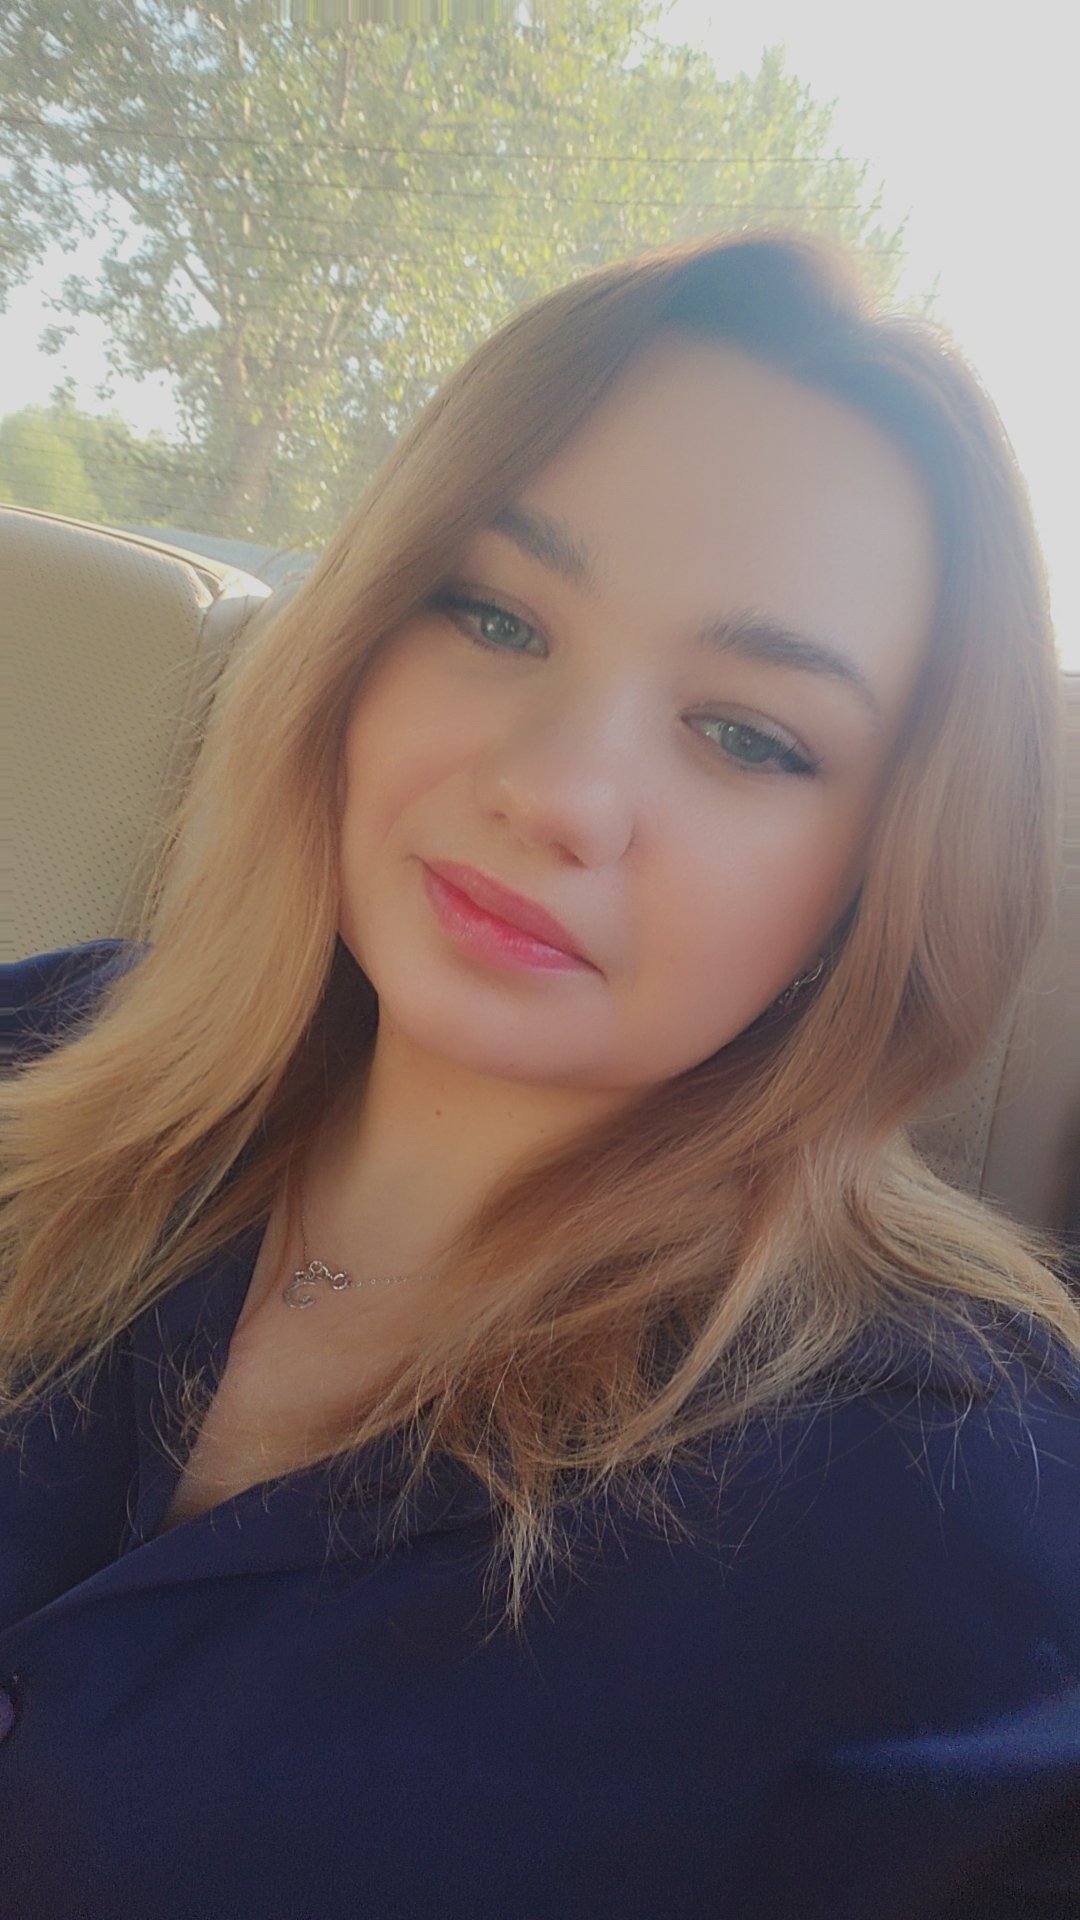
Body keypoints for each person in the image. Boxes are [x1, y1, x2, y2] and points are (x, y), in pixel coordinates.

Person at [2, 227, 1079, 1919]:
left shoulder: (965, 1509)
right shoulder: (42, 1042)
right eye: (494, 614)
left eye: (748, 733)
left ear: (883, 878)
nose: (557, 788)